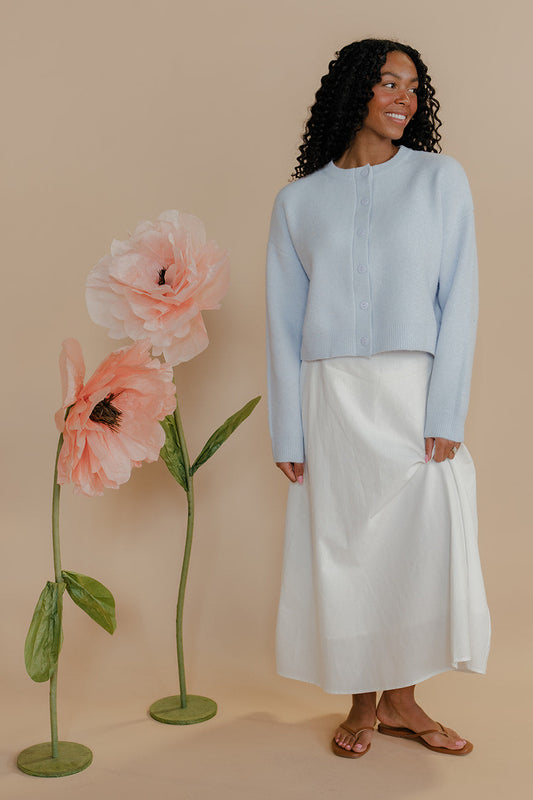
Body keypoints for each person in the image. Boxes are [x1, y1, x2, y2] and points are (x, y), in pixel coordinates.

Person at [265, 38, 490, 759]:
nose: (404, 98)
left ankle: (405, 702)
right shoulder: (298, 201)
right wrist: (287, 433)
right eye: (388, 82)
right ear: (356, 91)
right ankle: (365, 705)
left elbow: (460, 300)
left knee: (421, 543)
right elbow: (281, 320)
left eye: (414, 88)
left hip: (411, 388)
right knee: (345, 548)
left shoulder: (439, 180)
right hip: (331, 395)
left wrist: (445, 409)